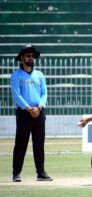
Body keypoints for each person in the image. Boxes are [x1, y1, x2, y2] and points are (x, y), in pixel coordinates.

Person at [10, 44, 53, 182]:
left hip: (39, 112)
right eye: (28, 56)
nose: (30, 58)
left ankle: (41, 173)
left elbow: (44, 93)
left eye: (32, 56)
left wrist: (39, 108)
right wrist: (29, 109)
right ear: (22, 58)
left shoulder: (39, 74)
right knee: (21, 143)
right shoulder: (16, 75)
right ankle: (16, 173)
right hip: (24, 113)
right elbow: (16, 95)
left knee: (39, 143)